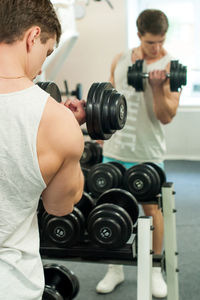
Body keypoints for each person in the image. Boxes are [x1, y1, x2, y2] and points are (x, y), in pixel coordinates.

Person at [0, 1, 86, 299]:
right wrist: (70, 133)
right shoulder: (59, 124)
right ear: (32, 36)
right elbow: (59, 206)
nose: (40, 69)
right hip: (11, 285)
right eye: (47, 53)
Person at [95, 9, 181, 299]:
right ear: (139, 35)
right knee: (110, 208)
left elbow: (167, 116)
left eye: (160, 42)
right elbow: (109, 98)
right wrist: (100, 131)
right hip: (115, 151)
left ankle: (155, 268)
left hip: (147, 152)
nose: (156, 48)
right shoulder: (119, 59)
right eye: (150, 43)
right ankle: (114, 268)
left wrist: (157, 88)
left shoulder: (171, 66)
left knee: (152, 211)